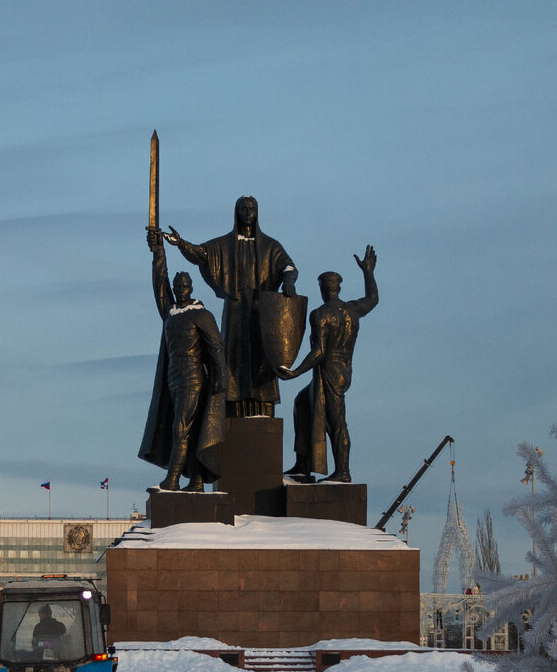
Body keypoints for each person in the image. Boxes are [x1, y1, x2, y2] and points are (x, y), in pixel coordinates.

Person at [162, 195, 298, 417]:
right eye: (243, 208)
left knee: (261, 355)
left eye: (251, 208)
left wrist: (289, 280)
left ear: (257, 212)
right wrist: (181, 243)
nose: (247, 211)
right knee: (233, 354)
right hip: (235, 310)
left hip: (261, 311)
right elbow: (201, 254)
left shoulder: (270, 246)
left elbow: (288, 266)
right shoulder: (225, 244)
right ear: (237, 212)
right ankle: (233, 403)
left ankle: (262, 405)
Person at [278, 246, 378, 482]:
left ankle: (343, 471)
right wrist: (368, 272)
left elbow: (320, 351)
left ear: (323, 289)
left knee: (336, 421)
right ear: (338, 288)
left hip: (330, 369)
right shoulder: (352, 309)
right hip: (345, 369)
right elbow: (373, 299)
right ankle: (302, 464)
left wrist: (295, 372)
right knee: (303, 402)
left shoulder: (320, 314)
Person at [139, 229, 226, 490]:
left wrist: (221, 380)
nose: (180, 290)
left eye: (184, 287)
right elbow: (159, 281)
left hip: (193, 378)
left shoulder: (202, 315)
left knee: (181, 428)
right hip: (173, 378)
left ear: (191, 288)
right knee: (189, 429)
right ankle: (197, 480)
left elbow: (217, 349)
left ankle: (173, 479)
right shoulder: (171, 313)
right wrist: (158, 252)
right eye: (177, 288)